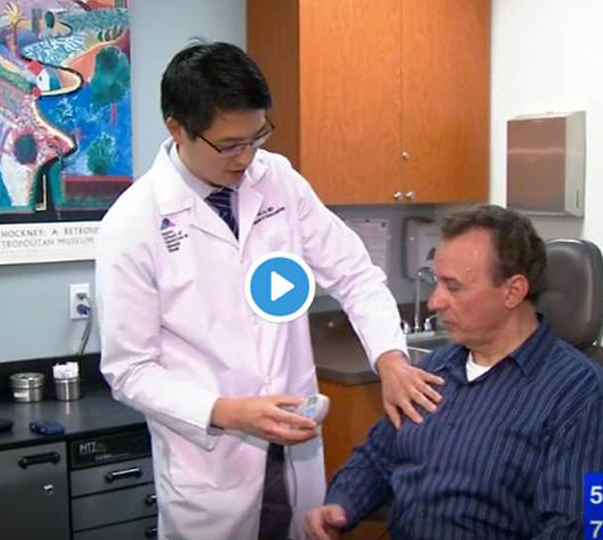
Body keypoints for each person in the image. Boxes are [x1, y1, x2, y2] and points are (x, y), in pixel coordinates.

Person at [95, 41, 443, 540]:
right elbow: (129, 371)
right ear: (177, 129)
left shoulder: (277, 179)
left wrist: (389, 358)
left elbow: (354, 273)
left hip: (294, 445)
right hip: (211, 464)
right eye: (230, 145)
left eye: (257, 137)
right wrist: (228, 412)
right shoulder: (132, 223)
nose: (247, 157)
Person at [305, 204, 603, 540]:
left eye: (453, 287)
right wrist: (342, 504)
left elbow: (570, 527)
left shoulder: (578, 393)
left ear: (513, 291)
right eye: (436, 282)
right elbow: (377, 458)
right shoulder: (434, 369)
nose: (434, 302)